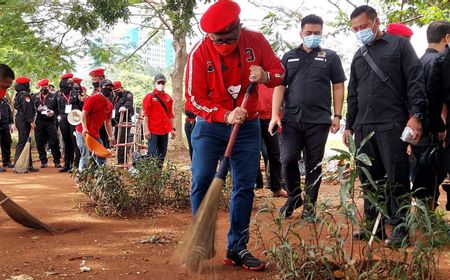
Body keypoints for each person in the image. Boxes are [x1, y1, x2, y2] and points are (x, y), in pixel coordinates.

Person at [185, 0, 285, 271]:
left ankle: (237, 247)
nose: (222, 44)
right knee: (203, 178)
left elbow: (280, 72)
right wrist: (224, 115)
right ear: (209, 36)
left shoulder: (256, 42)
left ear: (239, 29)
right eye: (216, 40)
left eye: (228, 39)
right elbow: (193, 99)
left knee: (244, 185)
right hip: (209, 128)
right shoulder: (198, 53)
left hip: (248, 128)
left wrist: (265, 75)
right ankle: (200, 242)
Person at [344, 5, 426, 247]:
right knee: (369, 179)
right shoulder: (359, 55)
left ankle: (400, 230)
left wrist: (416, 115)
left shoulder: (400, 45)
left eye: (363, 26)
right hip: (363, 127)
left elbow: (415, 80)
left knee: (396, 177)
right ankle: (374, 226)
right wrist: (349, 125)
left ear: (376, 22)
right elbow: (353, 94)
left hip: (392, 123)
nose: (359, 31)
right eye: (355, 29)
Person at [269, 14, 346, 220]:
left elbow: (338, 86)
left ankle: (310, 206)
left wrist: (337, 115)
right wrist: (274, 115)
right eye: (309, 32)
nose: (313, 36)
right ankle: (294, 197)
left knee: (313, 164)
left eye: (317, 33)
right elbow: (279, 87)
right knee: (288, 159)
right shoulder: (288, 56)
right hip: (291, 119)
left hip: (319, 121)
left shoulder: (330, 57)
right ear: (301, 33)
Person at [410, 21, 450, 208]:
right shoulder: (441, 62)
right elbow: (441, 100)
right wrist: (442, 125)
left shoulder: (417, 61)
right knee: (435, 170)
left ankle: (423, 209)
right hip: (435, 128)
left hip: (417, 126)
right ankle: (428, 212)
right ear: (446, 38)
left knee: (421, 168)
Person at [75, 79, 115, 171]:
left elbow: (108, 121)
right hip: (83, 132)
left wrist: (110, 136)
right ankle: (82, 177)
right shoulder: (92, 99)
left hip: (94, 134)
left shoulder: (109, 105)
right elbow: (84, 114)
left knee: (102, 155)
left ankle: (105, 177)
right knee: (86, 155)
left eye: (110, 87)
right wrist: (85, 128)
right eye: (106, 87)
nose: (108, 89)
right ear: (100, 88)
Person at [257, 85, 287, 197]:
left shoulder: (275, 72)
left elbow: (281, 93)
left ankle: (277, 187)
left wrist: (279, 116)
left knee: (275, 153)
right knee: (253, 153)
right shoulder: (253, 70)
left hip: (271, 118)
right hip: (254, 117)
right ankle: (256, 184)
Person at [142, 74, 175, 167]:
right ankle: (149, 176)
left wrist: (172, 129)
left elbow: (170, 115)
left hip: (164, 131)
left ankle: (158, 176)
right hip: (153, 131)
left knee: (162, 155)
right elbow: (146, 115)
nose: (161, 84)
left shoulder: (169, 98)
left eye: (163, 82)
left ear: (165, 83)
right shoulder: (149, 97)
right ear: (155, 83)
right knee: (151, 154)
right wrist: (146, 130)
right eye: (159, 82)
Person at [56, 75, 84, 172]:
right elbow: (55, 107)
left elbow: (82, 106)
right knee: (66, 141)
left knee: (75, 142)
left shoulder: (77, 92)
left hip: (75, 118)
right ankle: (67, 164)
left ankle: (76, 165)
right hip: (63, 119)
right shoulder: (58, 94)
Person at [34, 78, 61, 168]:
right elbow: (32, 108)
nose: (43, 88)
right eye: (42, 87)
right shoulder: (35, 96)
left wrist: (53, 112)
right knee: (40, 141)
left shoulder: (54, 96)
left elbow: (58, 108)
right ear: (39, 87)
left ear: (48, 86)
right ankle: (43, 161)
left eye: (45, 87)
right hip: (39, 121)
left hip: (50, 121)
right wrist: (37, 110)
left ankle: (57, 161)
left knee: (54, 141)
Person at [13, 76, 39, 172]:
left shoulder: (18, 94)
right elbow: (27, 109)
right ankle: (18, 166)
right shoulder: (25, 95)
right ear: (25, 84)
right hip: (24, 121)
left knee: (26, 142)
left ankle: (28, 164)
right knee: (23, 142)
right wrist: (31, 121)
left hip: (21, 120)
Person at [112, 81, 134, 165]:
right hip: (117, 121)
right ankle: (119, 159)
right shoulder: (115, 98)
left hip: (125, 121)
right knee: (118, 140)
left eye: (117, 90)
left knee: (122, 140)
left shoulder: (128, 94)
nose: (116, 93)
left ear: (121, 88)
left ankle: (122, 161)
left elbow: (129, 103)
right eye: (114, 91)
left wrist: (124, 107)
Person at [89, 68, 110, 148]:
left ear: (101, 79)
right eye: (92, 80)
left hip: (102, 119)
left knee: (102, 142)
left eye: (95, 79)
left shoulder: (107, 90)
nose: (93, 81)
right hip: (94, 120)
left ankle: (103, 159)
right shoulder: (94, 91)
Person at [0, 64, 15, 171]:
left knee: (6, 141)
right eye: (5, 86)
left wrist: (10, 122)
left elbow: (10, 111)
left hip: (4, 123)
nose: (7, 88)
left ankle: (6, 161)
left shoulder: (4, 99)